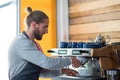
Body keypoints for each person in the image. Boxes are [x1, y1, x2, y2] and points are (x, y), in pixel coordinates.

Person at [8, 7, 81, 80]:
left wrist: (63, 71)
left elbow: (40, 72)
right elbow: (47, 63)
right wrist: (70, 60)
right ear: (34, 25)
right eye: (45, 27)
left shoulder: (34, 44)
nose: (47, 31)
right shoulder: (21, 42)